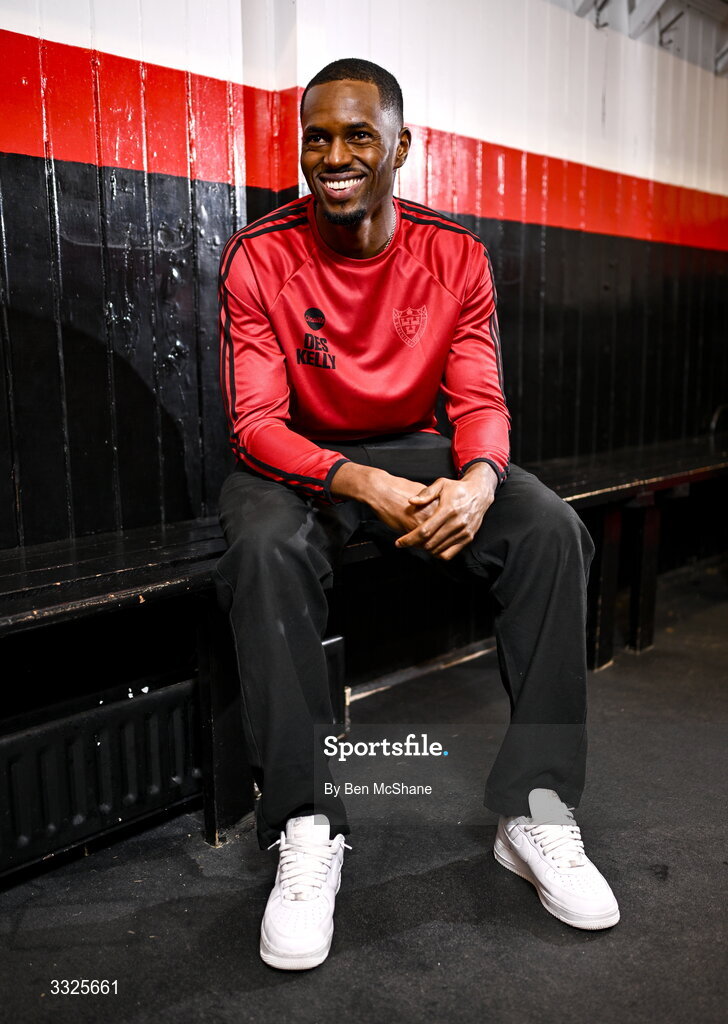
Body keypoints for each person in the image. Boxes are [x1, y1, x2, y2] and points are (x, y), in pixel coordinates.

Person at [215, 57, 619, 971]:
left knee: (550, 530)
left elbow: (479, 401)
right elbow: (254, 426)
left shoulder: (456, 254)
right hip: (301, 463)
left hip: (417, 449)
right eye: (317, 136)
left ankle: (537, 813)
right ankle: (306, 825)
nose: (335, 154)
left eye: (359, 134)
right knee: (263, 549)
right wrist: (356, 482)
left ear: (403, 145)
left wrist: (476, 483)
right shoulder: (259, 256)